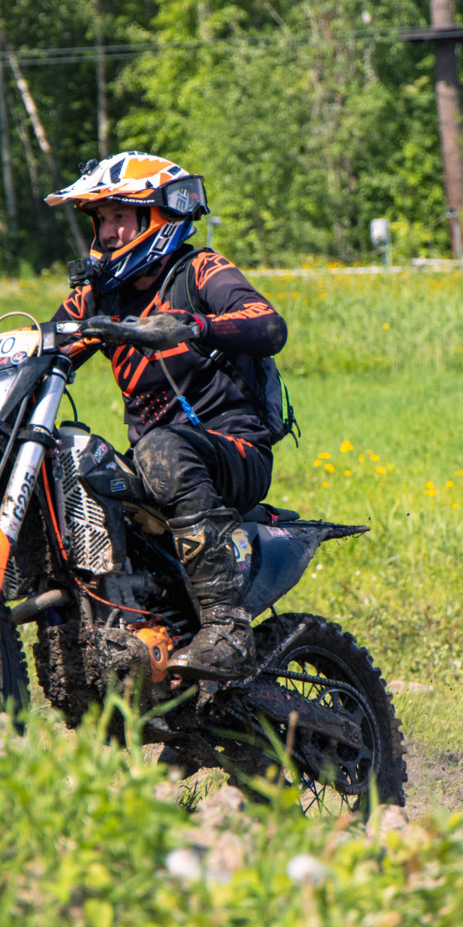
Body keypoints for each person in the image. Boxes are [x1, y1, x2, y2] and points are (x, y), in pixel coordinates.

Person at [44, 152, 287, 682]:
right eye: (102, 219)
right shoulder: (100, 295)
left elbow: (268, 324)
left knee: (161, 446)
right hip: (158, 464)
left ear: (156, 218)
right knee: (66, 463)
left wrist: (194, 326)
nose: (109, 232)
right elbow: (45, 342)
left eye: (120, 217)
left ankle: (226, 628)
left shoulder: (199, 270)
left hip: (235, 453)